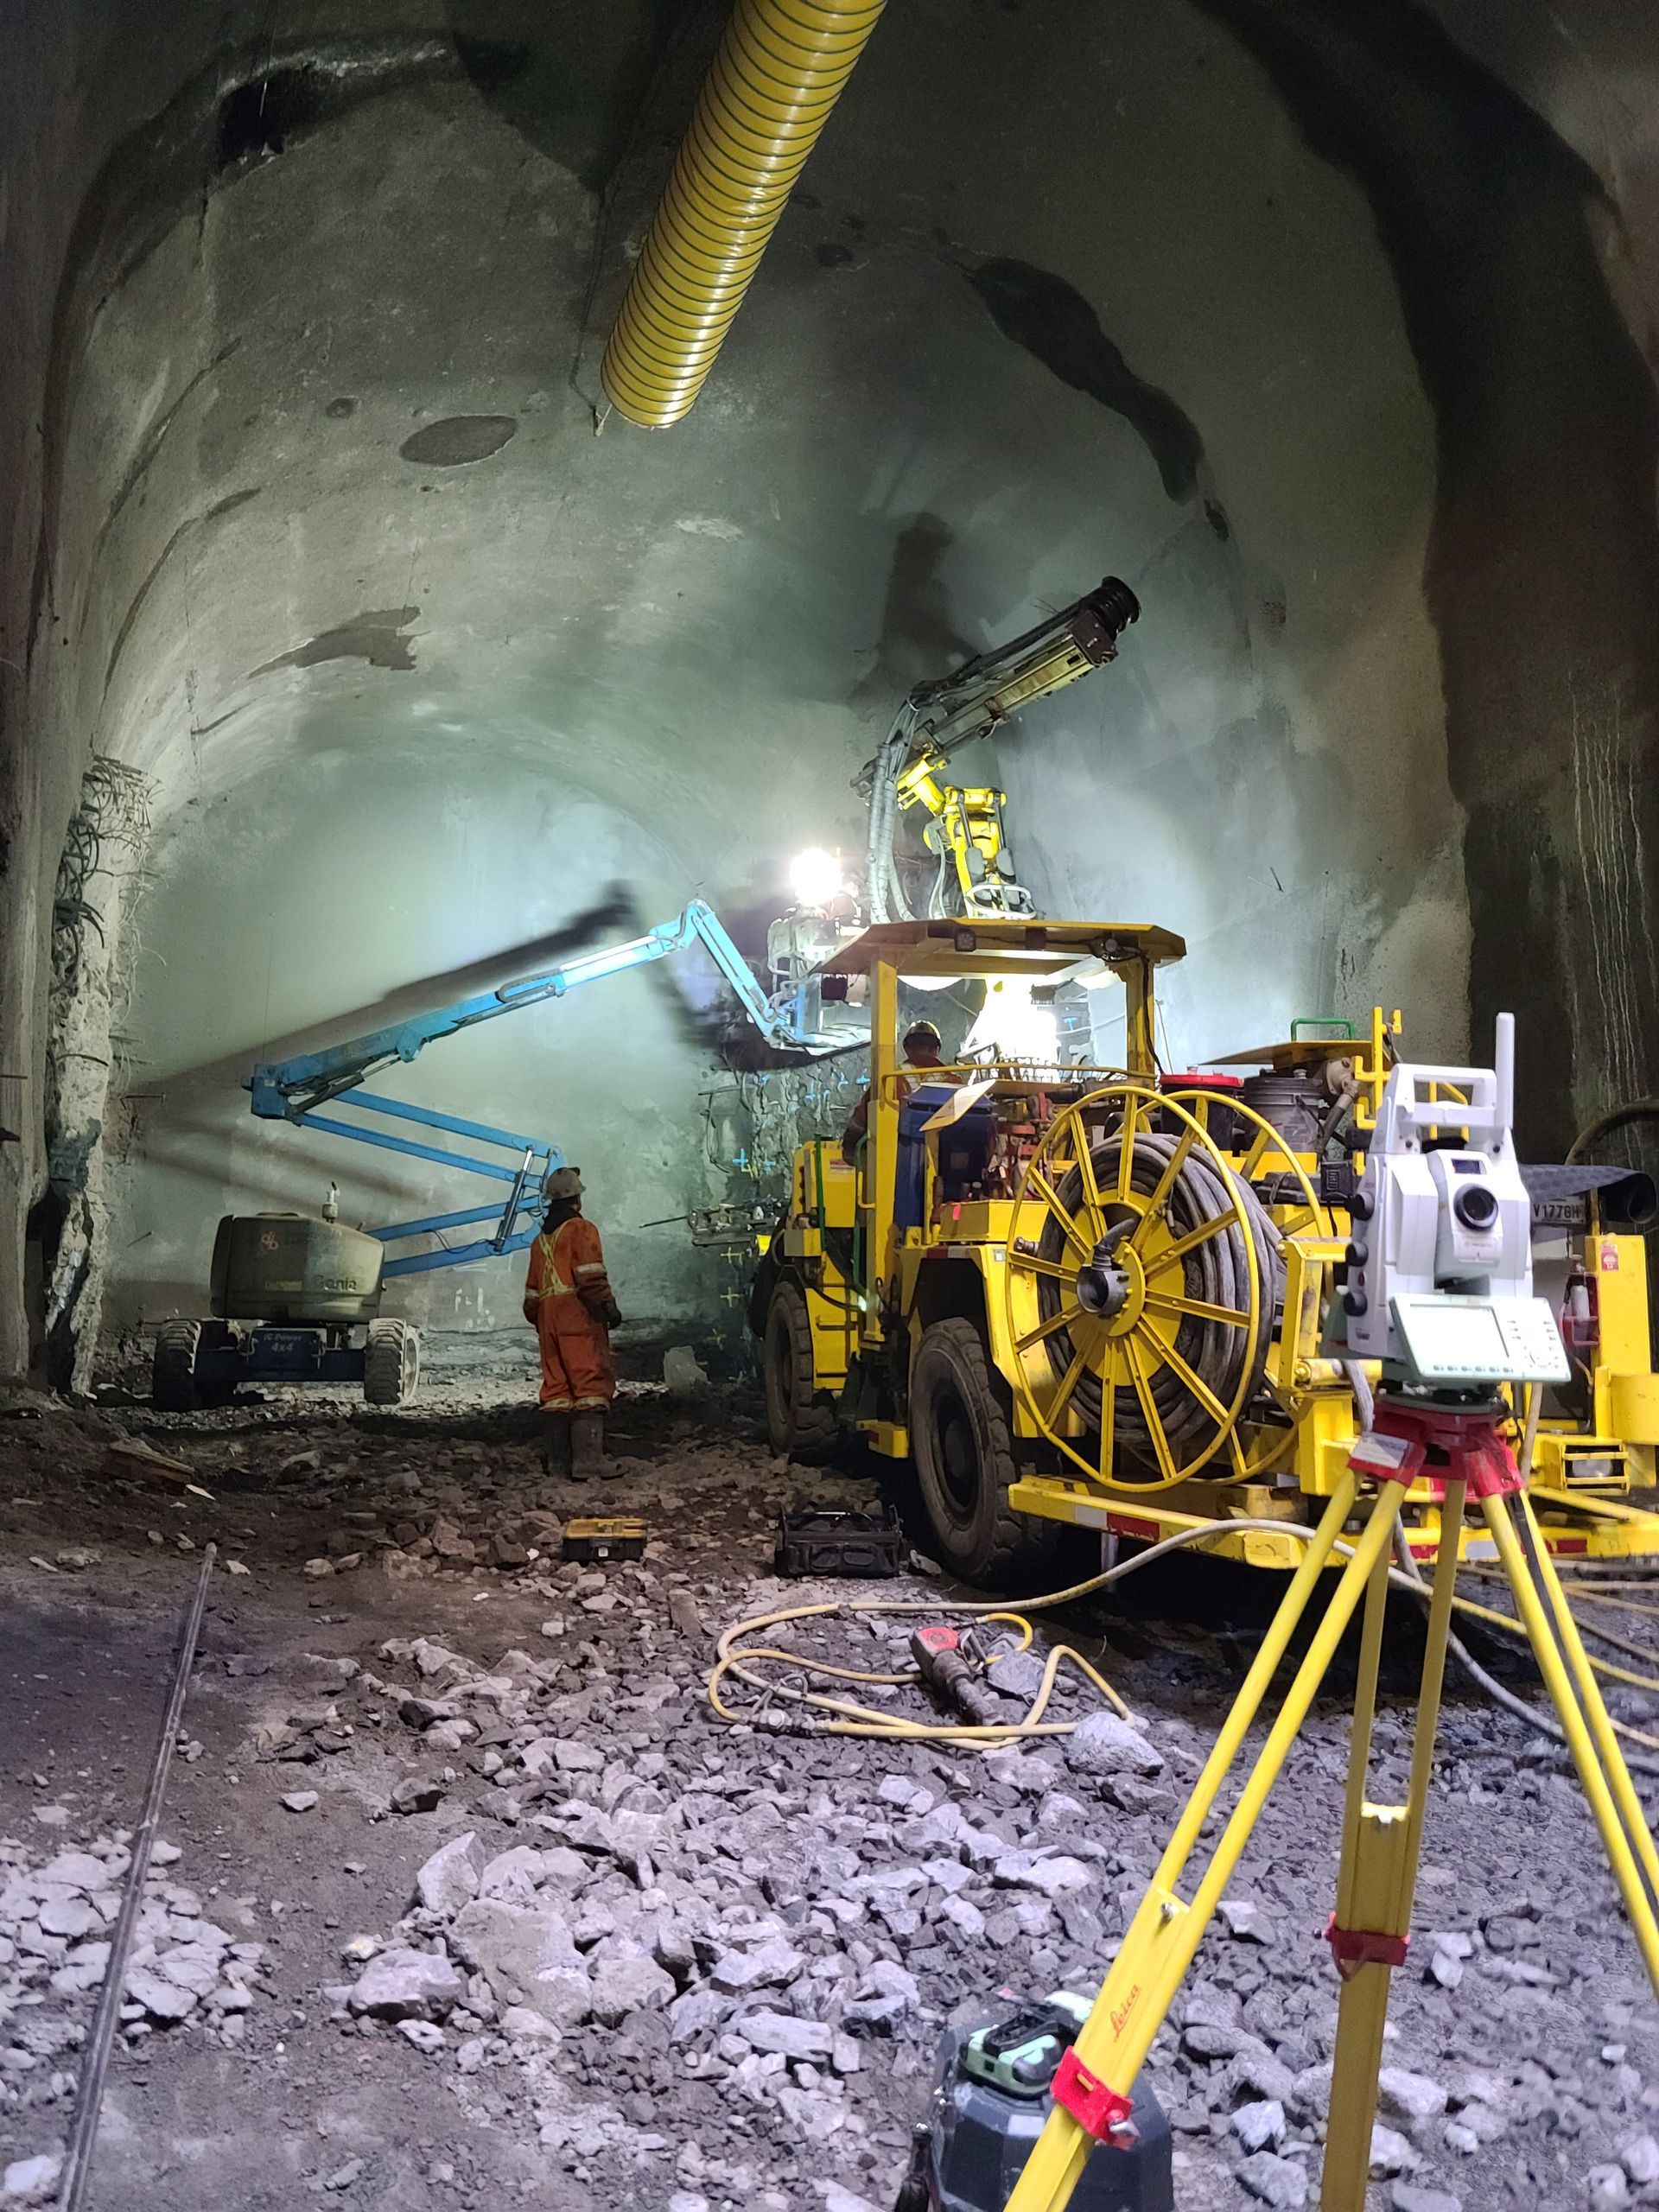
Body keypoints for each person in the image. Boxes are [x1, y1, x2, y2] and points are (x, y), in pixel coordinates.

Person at [522, 1166, 622, 1478]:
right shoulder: (582, 1229)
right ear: (576, 1198)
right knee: (589, 1380)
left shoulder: (540, 1242)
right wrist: (609, 1308)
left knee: (557, 1388)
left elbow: (531, 1298)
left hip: (548, 1318)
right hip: (577, 1315)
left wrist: (544, 1321)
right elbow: (590, 1278)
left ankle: (558, 1463)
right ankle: (588, 1461)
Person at [841, 1018, 954, 1163]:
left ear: (907, 1049)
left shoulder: (889, 1078)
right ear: (936, 1049)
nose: (923, 1050)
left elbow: (859, 1120)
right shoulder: (953, 1079)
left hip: (897, 1158)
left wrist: (851, 1150)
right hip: (942, 1159)